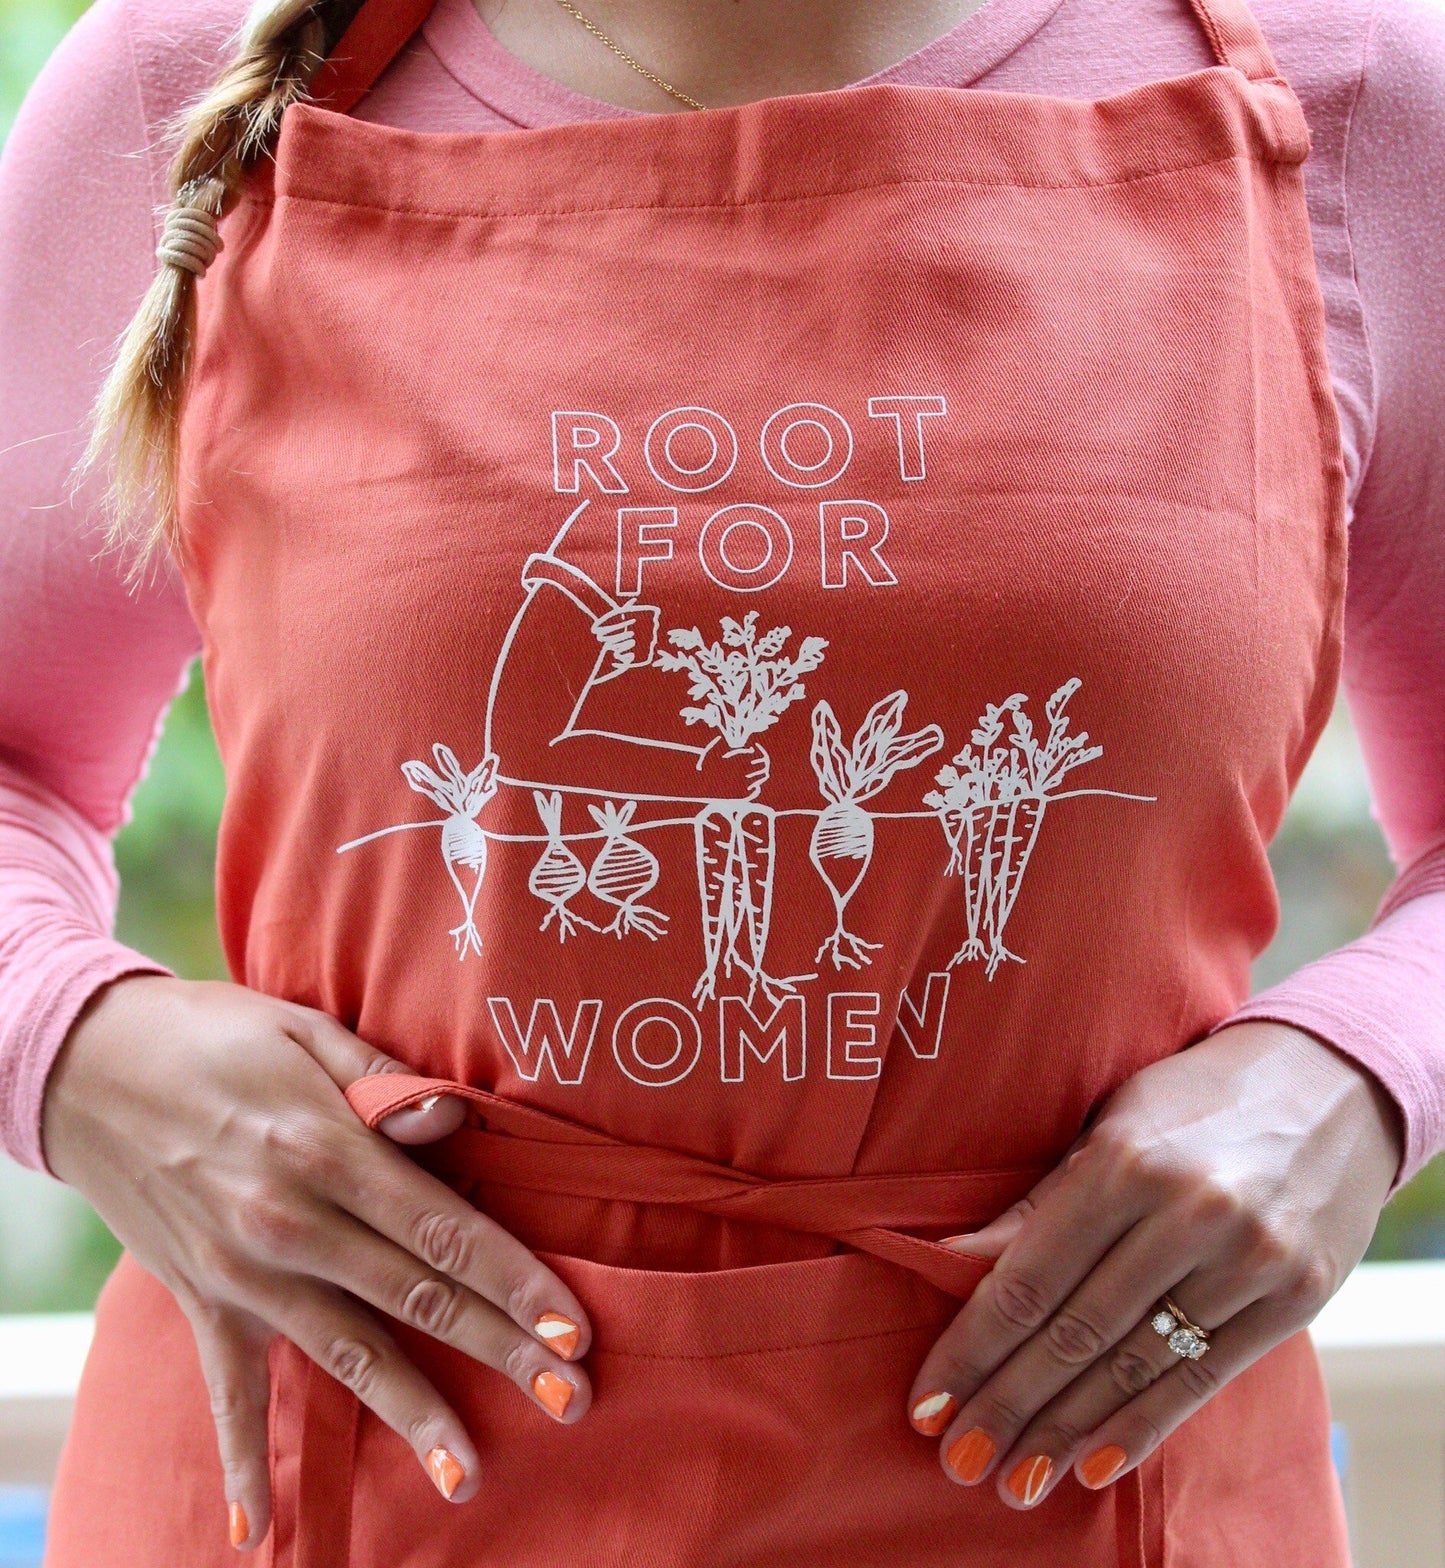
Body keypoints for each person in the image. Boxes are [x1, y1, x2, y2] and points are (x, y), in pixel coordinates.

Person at [1, 0, 1442, 1561]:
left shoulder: (1351, 95)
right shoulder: (180, 80)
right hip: (349, 1456)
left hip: (1082, 1451)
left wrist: (1355, 1075)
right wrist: (75, 1047)